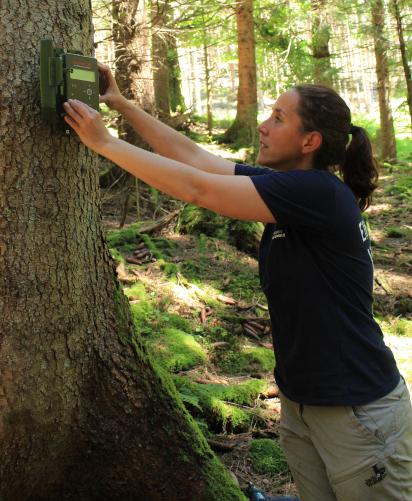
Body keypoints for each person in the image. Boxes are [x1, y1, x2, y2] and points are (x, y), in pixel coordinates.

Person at [63, 66, 412, 501]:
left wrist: (103, 143)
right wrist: (120, 103)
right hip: (303, 402)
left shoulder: (318, 192)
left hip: (358, 411)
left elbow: (198, 189)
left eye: (279, 118)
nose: (263, 126)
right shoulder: (291, 184)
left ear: (310, 142)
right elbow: (195, 159)